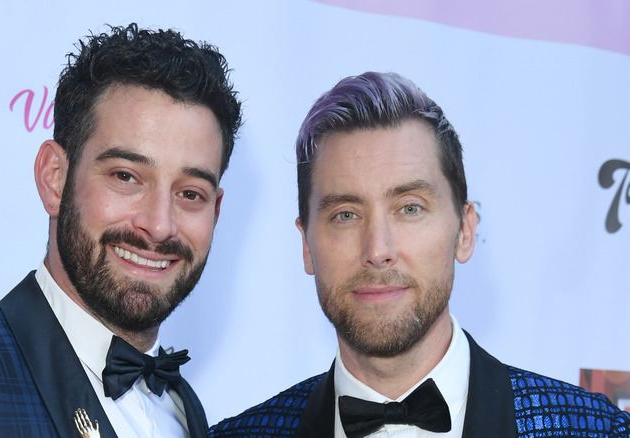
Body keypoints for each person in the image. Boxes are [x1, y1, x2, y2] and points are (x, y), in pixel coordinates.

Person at [0, 23, 241, 438]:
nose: (159, 225)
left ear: (215, 212)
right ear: (54, 178)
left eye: (190, 193)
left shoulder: (185, 410)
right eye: (126, 176)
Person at [209, 72, 629, 437]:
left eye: (410, 208)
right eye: (345, 215)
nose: (377, 250)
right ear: (306, 246)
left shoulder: (595, 430)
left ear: (465, 231)